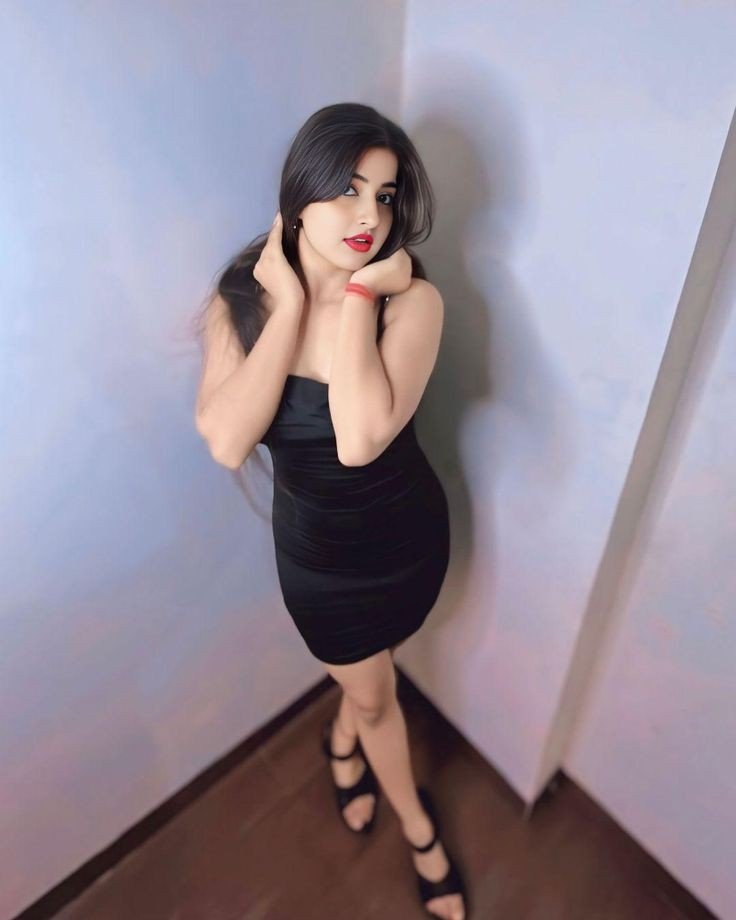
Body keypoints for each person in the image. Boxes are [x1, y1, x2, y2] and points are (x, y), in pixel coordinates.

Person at [193, 103, 467, 920]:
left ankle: (345, 736)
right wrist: (286, 309)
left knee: (373, 678)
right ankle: (420, 830)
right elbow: (227, 442)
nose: (368, 215)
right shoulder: (241, 302)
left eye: (384, 195)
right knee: (376, 694)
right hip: (324, 568)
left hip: (410, 539)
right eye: (348, 189)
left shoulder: (411, 302)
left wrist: (356, 298)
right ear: (299, 195)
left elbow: (360, 438)